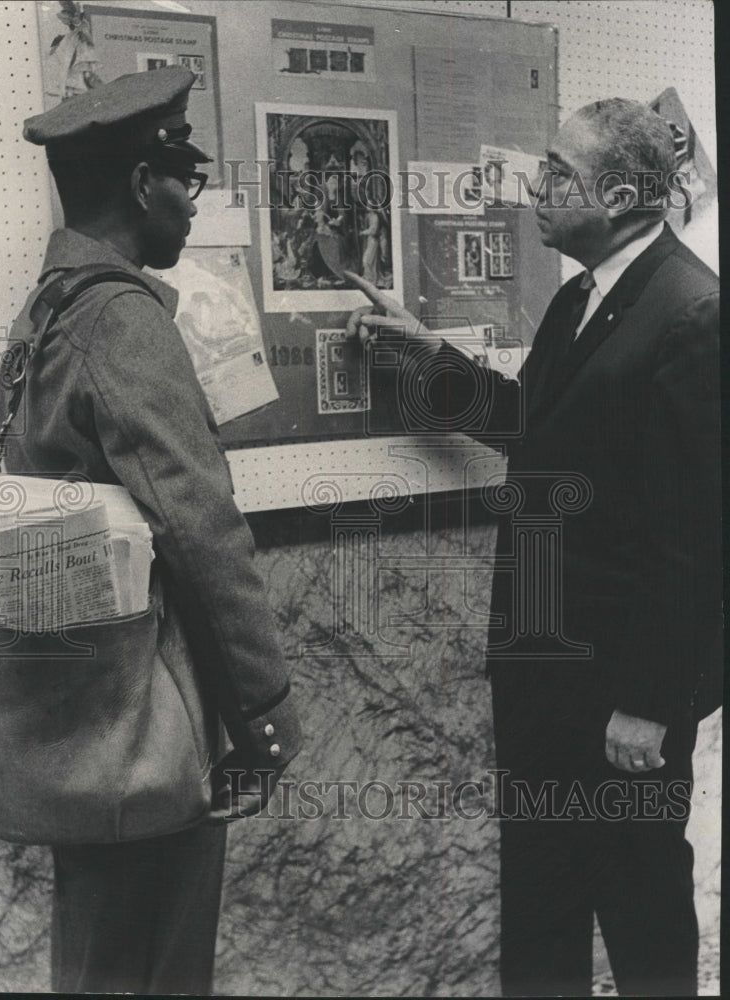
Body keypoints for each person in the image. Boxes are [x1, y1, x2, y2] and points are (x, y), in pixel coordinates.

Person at [346, 98, 720, 997]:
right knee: (542, 917)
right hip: (546, 684)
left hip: (618, 705)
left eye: (557, 172)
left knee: (643, 921)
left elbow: (699, 539)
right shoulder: (580, 296)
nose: (534, 188)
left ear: (626, 196)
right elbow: (531, 426)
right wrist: (422, 351)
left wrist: (650, 703)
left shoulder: (693, 315)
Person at [0, 66, 302, 995]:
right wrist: (265, 713)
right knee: (160, 968)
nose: (191, 205)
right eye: (188, 182)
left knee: (97, 960)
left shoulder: (47, 312)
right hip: (150, 715)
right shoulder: (124, 323)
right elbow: (200, 532)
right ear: (143, 183)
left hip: (78, 709)